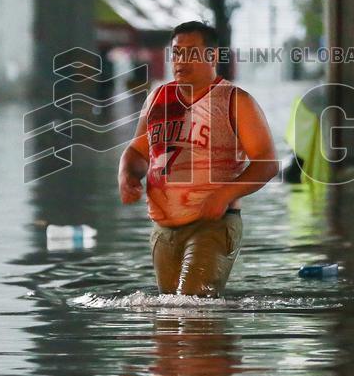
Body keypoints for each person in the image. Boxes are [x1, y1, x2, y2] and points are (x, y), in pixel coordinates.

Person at [118, 21, 279, 297]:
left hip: (213, 225)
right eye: (177, 53)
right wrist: (127, 176)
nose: (181, 60)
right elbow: (138, 151)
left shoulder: (235, 101)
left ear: (212, 56)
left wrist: (225, 194)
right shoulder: (157, 97)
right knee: (170, 322)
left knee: (193, 306)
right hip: (163, 229)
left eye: (191, 52)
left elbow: (267, 162)